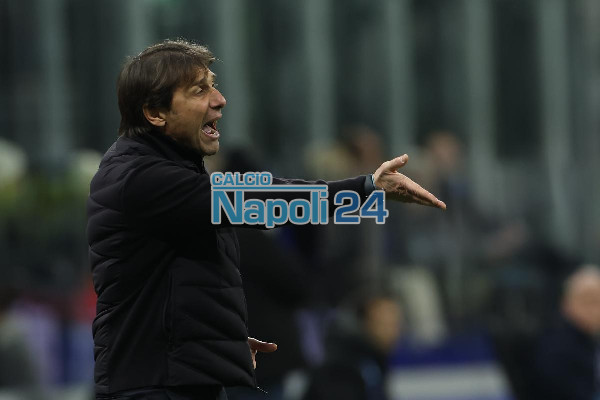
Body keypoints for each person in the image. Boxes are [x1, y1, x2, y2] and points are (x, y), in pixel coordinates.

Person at [87, 39, 445, 400]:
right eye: (199, 90)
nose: (219, 99)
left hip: (173, 380)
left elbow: (166, 283)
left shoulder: (163, 174)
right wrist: (366, 188)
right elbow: (258, 199)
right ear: (155, 113)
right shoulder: (142, 177)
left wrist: (218, 339)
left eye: (213, 85)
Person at [532, 265, 600, 400]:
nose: (595, 310)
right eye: (588, 301)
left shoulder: (591, 340)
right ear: (566, 304)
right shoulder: (555, 347)